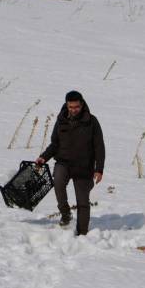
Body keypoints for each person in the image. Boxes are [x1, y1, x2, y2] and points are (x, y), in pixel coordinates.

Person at [36, 90, 105, 236]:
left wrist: (99, 169)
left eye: (76, 107)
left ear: (82, 104)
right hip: (64, 162)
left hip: (84, 166)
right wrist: (43, 157)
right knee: (58, 183)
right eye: (71, 107)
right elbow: (55, 144)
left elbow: (99, 147)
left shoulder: (92, 122)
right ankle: (65, 213)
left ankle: (82, 234)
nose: (74, 110)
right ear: (67, 105)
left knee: (82, 201)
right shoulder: (61, 120)